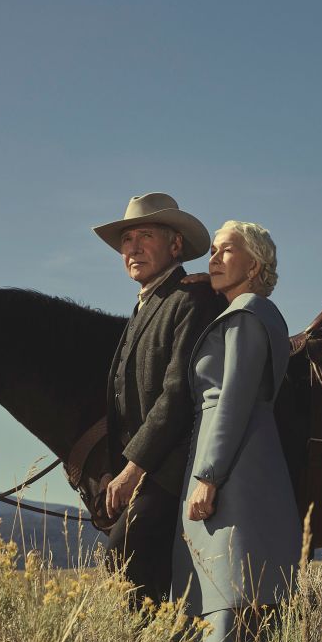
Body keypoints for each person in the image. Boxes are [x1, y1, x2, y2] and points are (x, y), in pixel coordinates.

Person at [171, 220, 300, 642]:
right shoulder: (250, 310)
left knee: (229, 585)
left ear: (256, 264)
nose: (214, 258)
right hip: (238, 461)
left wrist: (208, 476)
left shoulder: (246, 314)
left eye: (227, 251)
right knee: (230, 584)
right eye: (212, 253)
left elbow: (233, 397)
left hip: (233, 469)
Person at [92, 193, 223, 606]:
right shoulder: (148, 305)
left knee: (123, 559)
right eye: (126, 240)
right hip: (151, 468)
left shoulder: (190, 300)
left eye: (144, 235)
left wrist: (132, 471)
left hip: (175, 471)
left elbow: (177, 394)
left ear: (175, 245)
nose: (132, 248)